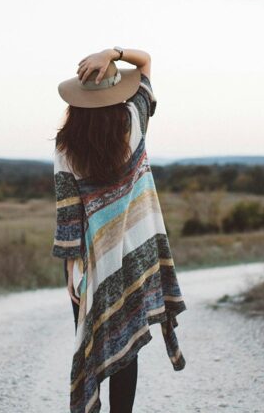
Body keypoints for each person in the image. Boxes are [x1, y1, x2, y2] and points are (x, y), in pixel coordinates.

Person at [51, 47, 186, 413]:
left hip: (90, 265)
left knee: (96, 342)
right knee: (127, 346)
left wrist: (70, 269)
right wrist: (114, 52)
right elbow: (145, 63)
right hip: (136, 257)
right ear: (115, 90)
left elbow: (69, 214)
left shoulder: (66, 146)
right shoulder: (134, 118)